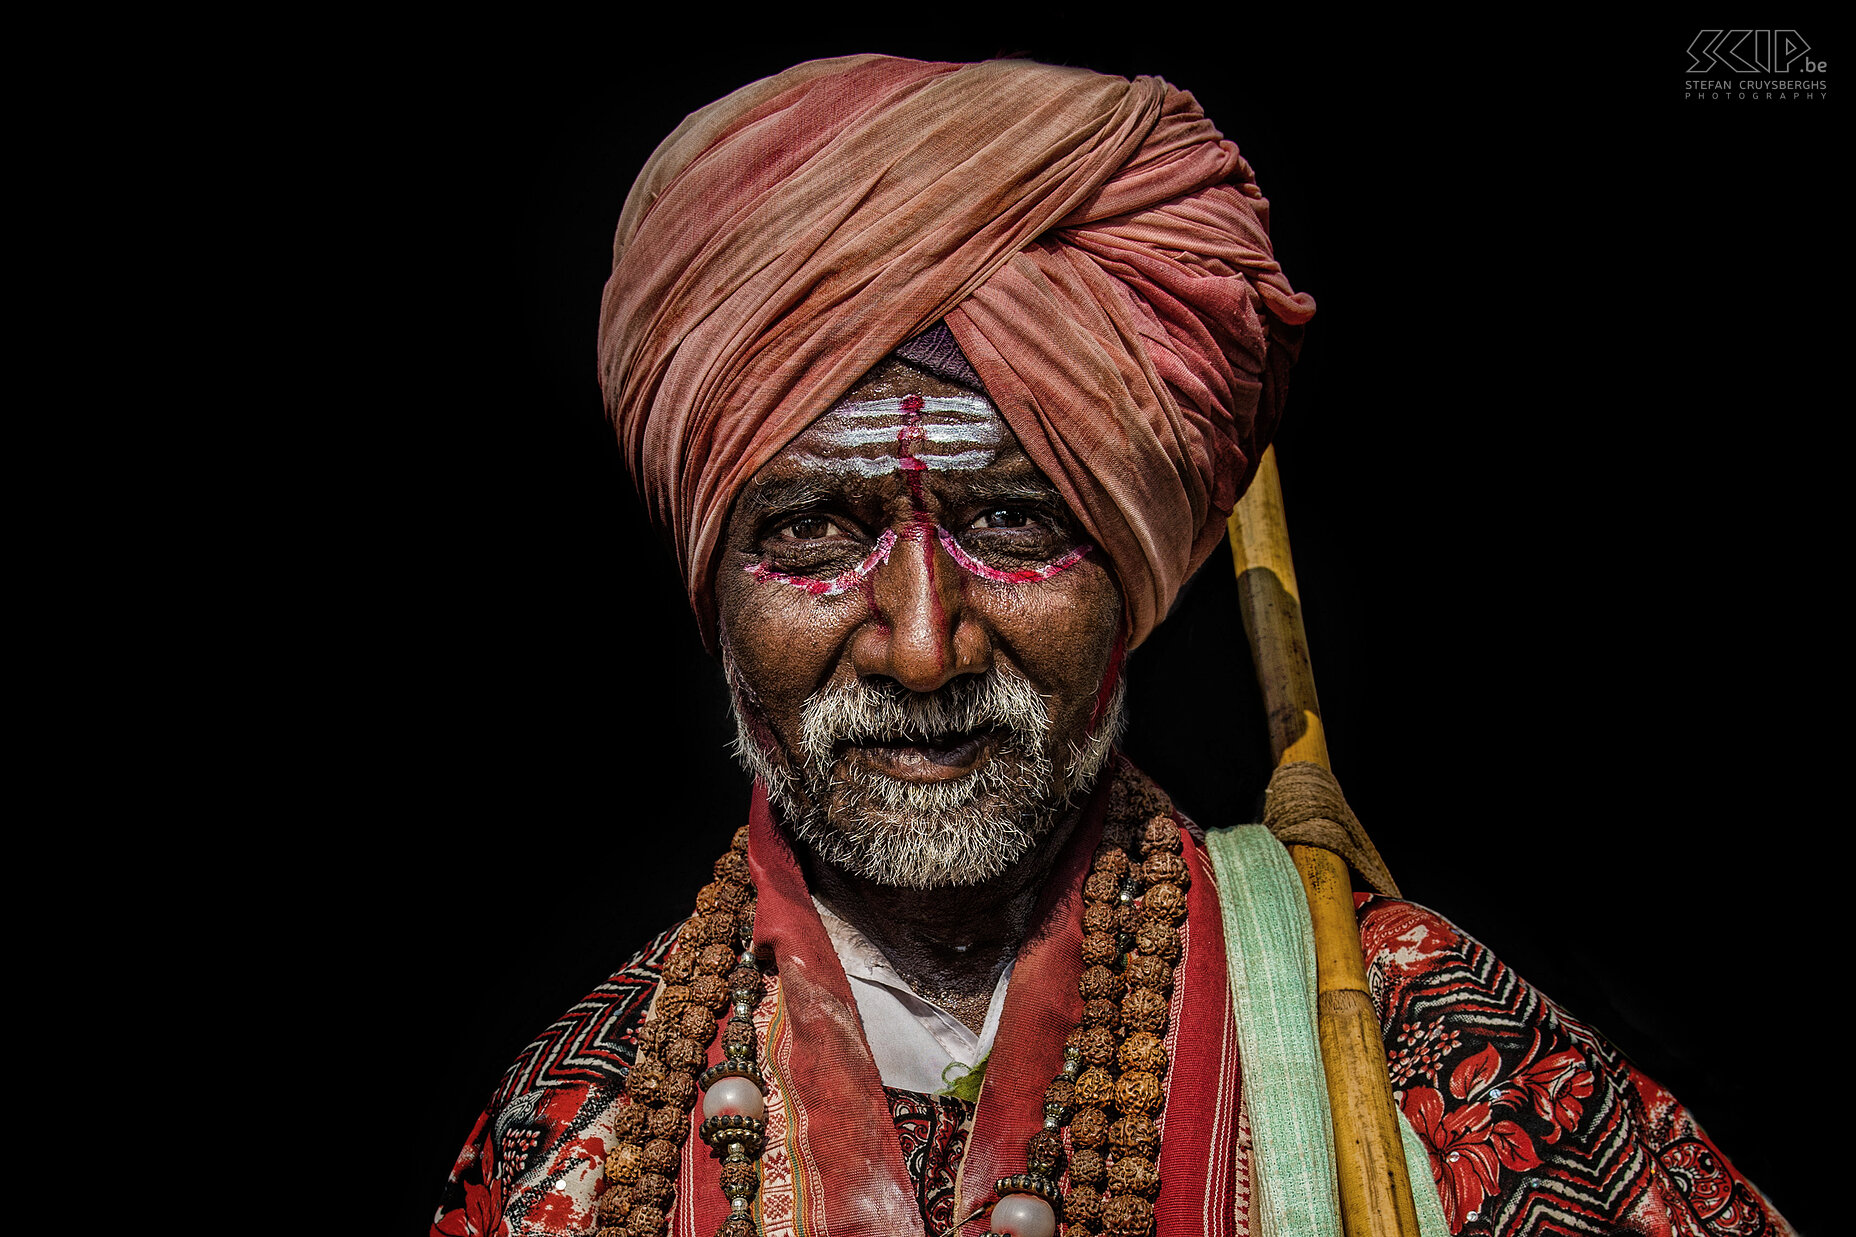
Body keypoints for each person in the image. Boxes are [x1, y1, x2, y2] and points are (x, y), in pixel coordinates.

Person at [434, 55, 1791, 1237]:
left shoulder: (1418, 1051)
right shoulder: (582, 1130)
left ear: (1137, 569)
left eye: (1016, 518)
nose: (921, 649)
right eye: (814, 530)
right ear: (711, 582)